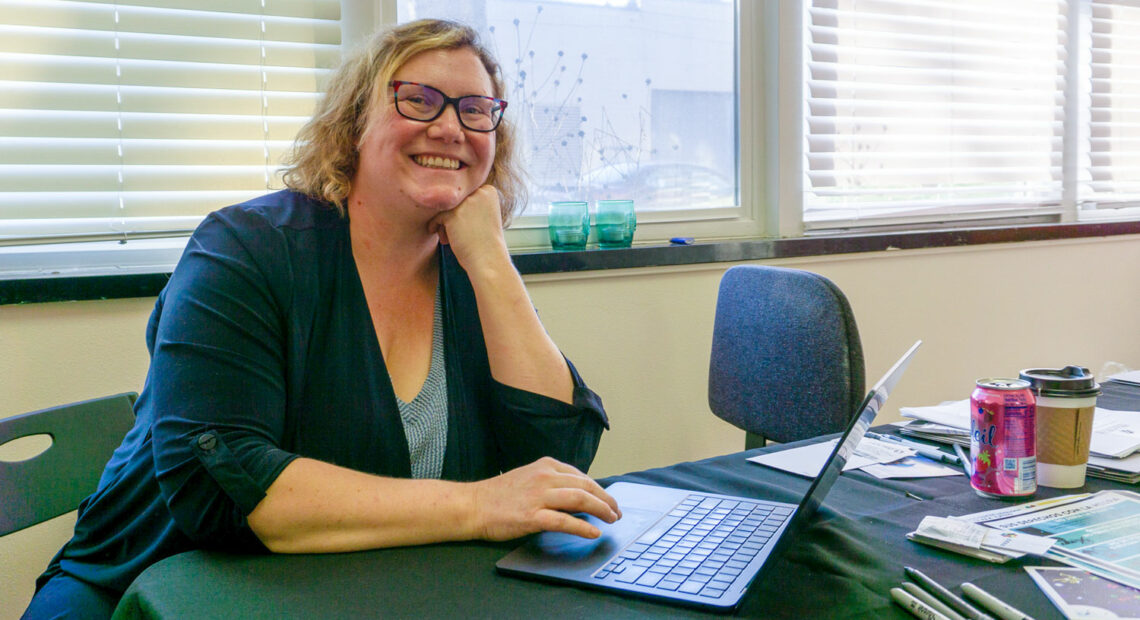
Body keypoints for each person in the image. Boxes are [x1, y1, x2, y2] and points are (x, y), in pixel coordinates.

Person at [23, 18, 620, 619]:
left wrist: (491, 261)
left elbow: (555, 455)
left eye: (475, 109)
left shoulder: (471, 271)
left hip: (368, 590)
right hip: (149, 589)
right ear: (355, 122)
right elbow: (224, 484)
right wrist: (478, 506)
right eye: (417, 99)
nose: (450, 127)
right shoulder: (244, 249)